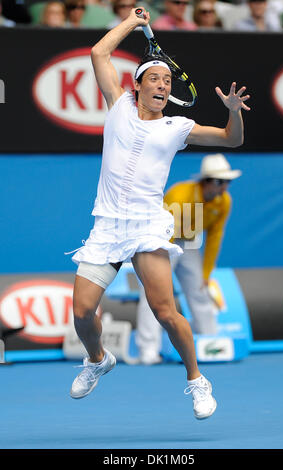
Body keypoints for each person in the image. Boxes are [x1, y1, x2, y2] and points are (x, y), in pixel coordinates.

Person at [69, 7, 250, 420]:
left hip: (147, 227)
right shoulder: (116, 105)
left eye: (167, 81)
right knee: (81, 312)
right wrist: (132, 23)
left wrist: (234, 111)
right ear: (137, 85)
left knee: (165, 312)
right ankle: (98, 358)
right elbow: (99, 53)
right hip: (107, 225)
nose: (162, 84)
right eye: (155, 77)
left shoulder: (178, 127)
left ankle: (196, 381)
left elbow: (231, 141)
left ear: (170, 92)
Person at [136, 153, 241, 365]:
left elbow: (214, 237)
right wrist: (160, 271)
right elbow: (167, 235)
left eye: (228, 181)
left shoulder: (223, 202)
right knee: (154, 294)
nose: (225, 187)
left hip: (189, 242)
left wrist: (206, 273)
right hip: (160, 239)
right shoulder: (180, 196)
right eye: (220, 182)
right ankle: (147, 351)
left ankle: (212, 344)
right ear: (206, 181)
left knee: (201, 291)